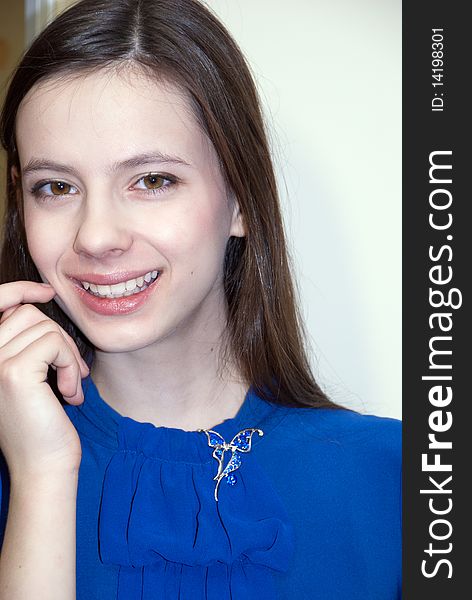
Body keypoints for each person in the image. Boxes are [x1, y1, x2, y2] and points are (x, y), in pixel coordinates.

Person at [0, 0, 401, 598]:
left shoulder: (399, 480)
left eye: (153, 180)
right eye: (55, 187)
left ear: (239, 200)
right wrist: (41, 479)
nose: (96, 237)